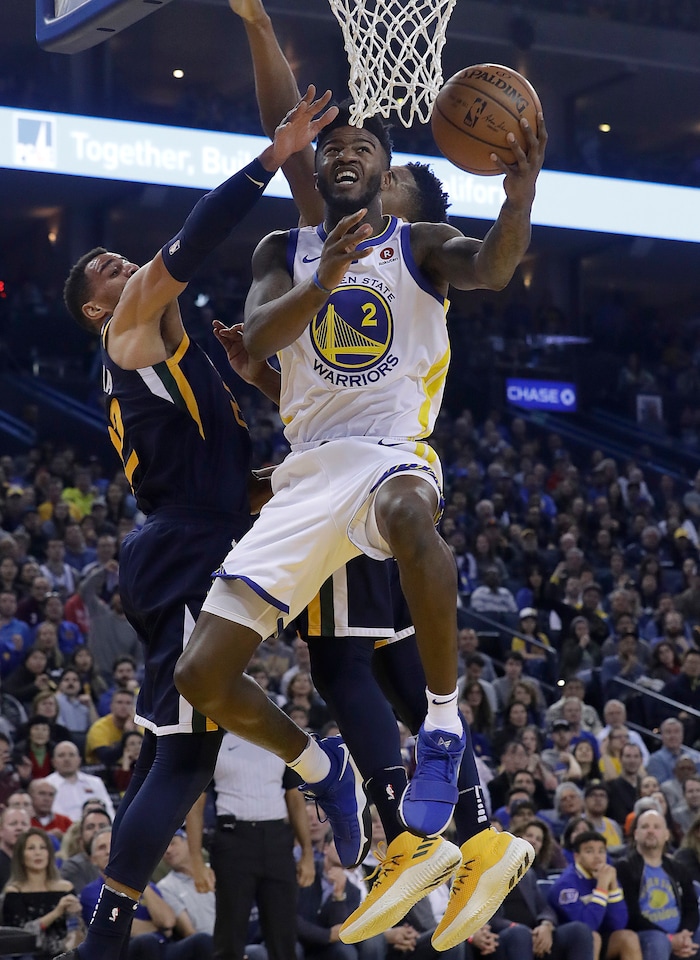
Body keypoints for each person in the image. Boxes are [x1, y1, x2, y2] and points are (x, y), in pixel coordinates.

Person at [175, 44, 546, 952]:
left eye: (369, 147)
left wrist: (521, 194)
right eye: (337, 144)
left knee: (412, 517)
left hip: (389, 454)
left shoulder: (415, 245)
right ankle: (321, 763)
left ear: (386, 176)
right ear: (323, 165)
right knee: (202, 677)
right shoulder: (285, 247)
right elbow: (258, 341)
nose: (350, 152)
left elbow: (493, 268)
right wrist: (324, 281)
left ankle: (447, 730)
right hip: (306, 475)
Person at [54, 75, 338, 960]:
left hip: (196, 534)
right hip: (181, 546)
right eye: (106, 272)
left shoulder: (188, 356)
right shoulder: (125, 331)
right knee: (183, 756)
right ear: (101, 309)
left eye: (115, 257)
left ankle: (99, 939)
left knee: (173, 756)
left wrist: (291, 475)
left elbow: (230, 484)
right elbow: (194, 240)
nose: (119, 266)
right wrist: (272, 158)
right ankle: (321, 771)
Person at [188, 720, 315, 960]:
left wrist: (307, 853)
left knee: (284, 934)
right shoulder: (214, 741)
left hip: (278, 840)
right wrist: (195, 860)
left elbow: (295, 800)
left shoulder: (280, 739)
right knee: (229, 935)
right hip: (233, 842)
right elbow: (196, 803)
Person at [616, 809, 699, 960]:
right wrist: (669, 939)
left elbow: (691, 908)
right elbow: (631, 915)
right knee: (658, 941)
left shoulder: (678, 868)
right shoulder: (624, 868)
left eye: (656, 827)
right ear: (636, 834)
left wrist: (685, 934)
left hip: (680, 934)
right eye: (645, 826)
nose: (651, 831)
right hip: (646, 934)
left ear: (667, 834)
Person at [548, 831, 640, 960]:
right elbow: (585, 928)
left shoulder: (606, 875)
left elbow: (618, 924)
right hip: (566, 944)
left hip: (597, 937)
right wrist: (602, 888)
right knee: (593, 938)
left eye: (601, 851)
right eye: (589, 851)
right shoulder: (565, 886)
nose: (597, 857)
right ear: (577, 857)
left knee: (628, 937)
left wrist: (613, 886)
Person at [1, 827, 83, 959]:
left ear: (50, 854)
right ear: (21, 856)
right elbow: (20, 937)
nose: (38, 853)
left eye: (43, 848)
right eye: (31, 848)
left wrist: (76, 915)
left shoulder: (66, 888)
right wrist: (56, 912)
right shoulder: (14, 891)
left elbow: (77, 934)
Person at [45, 741, 114, 823]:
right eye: (61, 755)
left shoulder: (95, 782)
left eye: (71, 755)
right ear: (53, 762)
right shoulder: (46, 784)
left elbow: (109, 810)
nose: (67, 759)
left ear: (79, 760)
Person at [0, 806, 32, 890]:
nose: (19, 828)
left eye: (24, 824)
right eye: (13, 824)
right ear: (1, 830)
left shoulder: (36, 862)